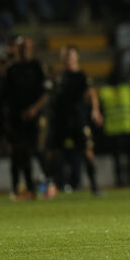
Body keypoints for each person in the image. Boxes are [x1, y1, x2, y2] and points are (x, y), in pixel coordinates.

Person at [49, 45, 103, 196]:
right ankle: (52, 186)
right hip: (61, 120)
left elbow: (92, 93)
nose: (68, 59)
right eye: (66, 56)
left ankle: (94, 186)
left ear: (76, 58)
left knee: (87, 152)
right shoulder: (59, 77)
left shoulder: (82, 76)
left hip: (78, 119)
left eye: (71, 56)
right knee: (54, 153)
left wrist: (95, 110)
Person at [2, 36, 49, 200]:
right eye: (21, 47)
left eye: (26, 47)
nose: (24, 50)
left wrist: (34, 109)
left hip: (35, 116)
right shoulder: (12, 69)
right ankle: (29, 188)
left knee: (38, 149)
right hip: (18, 117)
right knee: (21, 152)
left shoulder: (37, 66)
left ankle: (48, 182)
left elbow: (46, 93)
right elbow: (6, 96)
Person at [98, 68, 130, 187]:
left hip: (112, 129)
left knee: (117, 157)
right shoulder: (127, 90)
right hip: (126, 127)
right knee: (128, 156)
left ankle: (120, 179)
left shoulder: (105, 92)